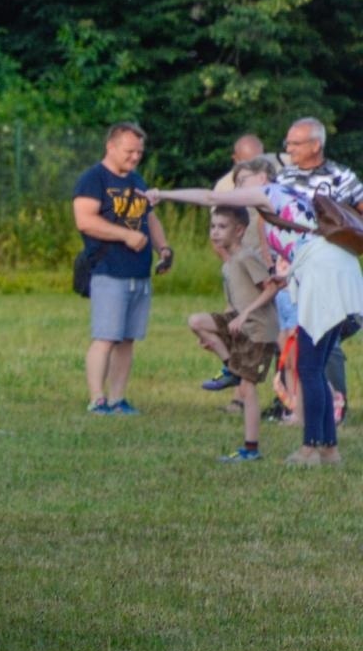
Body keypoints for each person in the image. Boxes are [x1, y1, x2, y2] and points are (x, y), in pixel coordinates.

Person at [150, 156, 363, 464]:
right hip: (337, 269)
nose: (237, 188)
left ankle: (310, 448)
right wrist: (286, 277)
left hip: (323, 275)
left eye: (243, 181)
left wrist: (162, 194)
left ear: (263, 178)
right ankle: (329, 449)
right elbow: (306, 242)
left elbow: (210, 197)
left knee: (309, 368)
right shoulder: (287, 199)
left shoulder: (270, 192)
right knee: (315, 366)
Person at [72, 122, 172, 415]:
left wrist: (163, 248)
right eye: (129, 151)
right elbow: (85, 221)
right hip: (108, 270)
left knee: (127, 339)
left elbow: (149, 218)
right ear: (111, 147)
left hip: (138, 272)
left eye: (139, 152)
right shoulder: (93, 179)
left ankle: (118, 398)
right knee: (106, 337)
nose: (135, 157)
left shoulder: (137, 180)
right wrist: (125, 235)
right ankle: (97, 398)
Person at [276, 118, 363, 410]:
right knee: (293, 333)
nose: (289, 148)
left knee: (327, 333)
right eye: (288, 143)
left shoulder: (341, 176)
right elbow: (270, 217)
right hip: (293, 269)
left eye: (295, 143)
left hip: (329, 269)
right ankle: (292, 402)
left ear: (316, 145)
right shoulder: (284, 178)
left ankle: (336, 403)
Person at [185, 204, 281, 461]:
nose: (215, 232)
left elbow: (271, 288)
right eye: (212, 226)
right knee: (196, 322)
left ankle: (251, 449)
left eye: (222, 227)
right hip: (240, 325)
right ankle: (230, 368)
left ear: (239, 231)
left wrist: (246, 313)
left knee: (247, 390)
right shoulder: (228, 265)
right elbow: (232, 305)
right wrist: (214, 335)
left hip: (259, 331)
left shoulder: (247, 257)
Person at [201, 133, 273, 392]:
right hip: (242, 269)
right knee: (238, 333)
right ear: (235, 159)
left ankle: (279, 396)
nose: (252, 166)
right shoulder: (225, 186)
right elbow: (218, 230)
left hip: (265, 271)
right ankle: (237, 392)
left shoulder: (271, 189)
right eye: (245, 161)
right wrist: (233, 267)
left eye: (257, 159)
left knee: (265, 336)